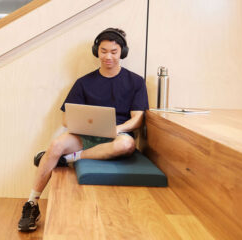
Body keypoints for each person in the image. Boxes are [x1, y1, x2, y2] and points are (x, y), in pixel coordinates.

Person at [18, 28, 149, 232]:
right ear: (97, 51)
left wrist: (117, 128)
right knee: (57, 144)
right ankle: (32, 203)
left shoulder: (136, 81)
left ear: (122, 53)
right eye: (103, 51)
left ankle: (68, 159)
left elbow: (138, 119)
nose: (108, 56)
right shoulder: (84, 82)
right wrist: (82, 126)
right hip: (87, 136)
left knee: (126, 143)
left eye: (114, 52)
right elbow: (65, 118)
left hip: (118, 136)